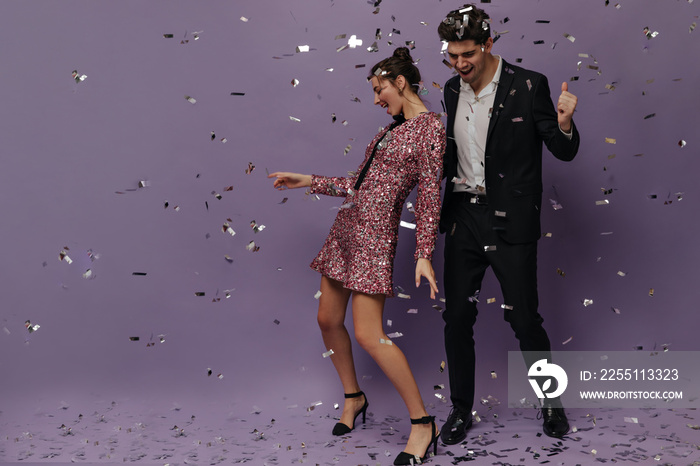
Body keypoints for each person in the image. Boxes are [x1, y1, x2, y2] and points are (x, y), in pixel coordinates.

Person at [268, 47, 445, 465]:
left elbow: (430, 194)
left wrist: (423, 252)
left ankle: (422, 423)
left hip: (375, 238)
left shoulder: (430, 129)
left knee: (369, 334)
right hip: (347, 229)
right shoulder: (386, 132)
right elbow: (358, 185)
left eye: (379, 88)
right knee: (327, 320)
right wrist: (307, 180)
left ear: (400, 82)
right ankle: (354, 397)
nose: (376, 97)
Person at [435, 4, 580, 445]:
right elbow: (449, 154)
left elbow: (563, 151)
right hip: (463, 216)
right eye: (452, 56)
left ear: (488, 44)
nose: (460, 65)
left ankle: (551, 404)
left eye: (468, 56)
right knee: (457, 317)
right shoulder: (450, 90)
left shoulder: (528, 84)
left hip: (510, 220)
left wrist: (565, 122)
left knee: (524, 320)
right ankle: (461, 410)